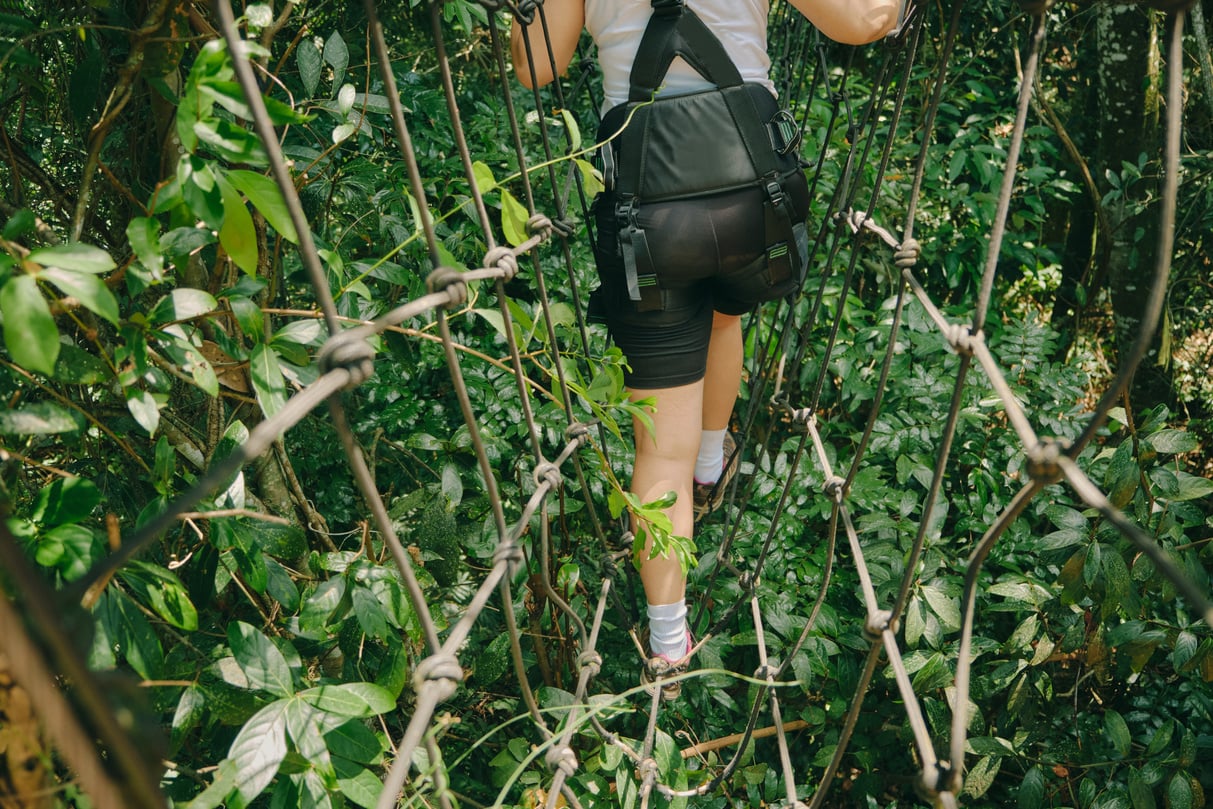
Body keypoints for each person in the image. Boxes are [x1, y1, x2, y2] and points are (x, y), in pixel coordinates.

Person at [512, 0, 899, 698]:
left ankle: (667, 642)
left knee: (658, 448)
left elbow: (538, 65)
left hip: (646, 217)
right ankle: (713, 461)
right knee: (725, 312)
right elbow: (863, 19)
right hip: (756, 198)